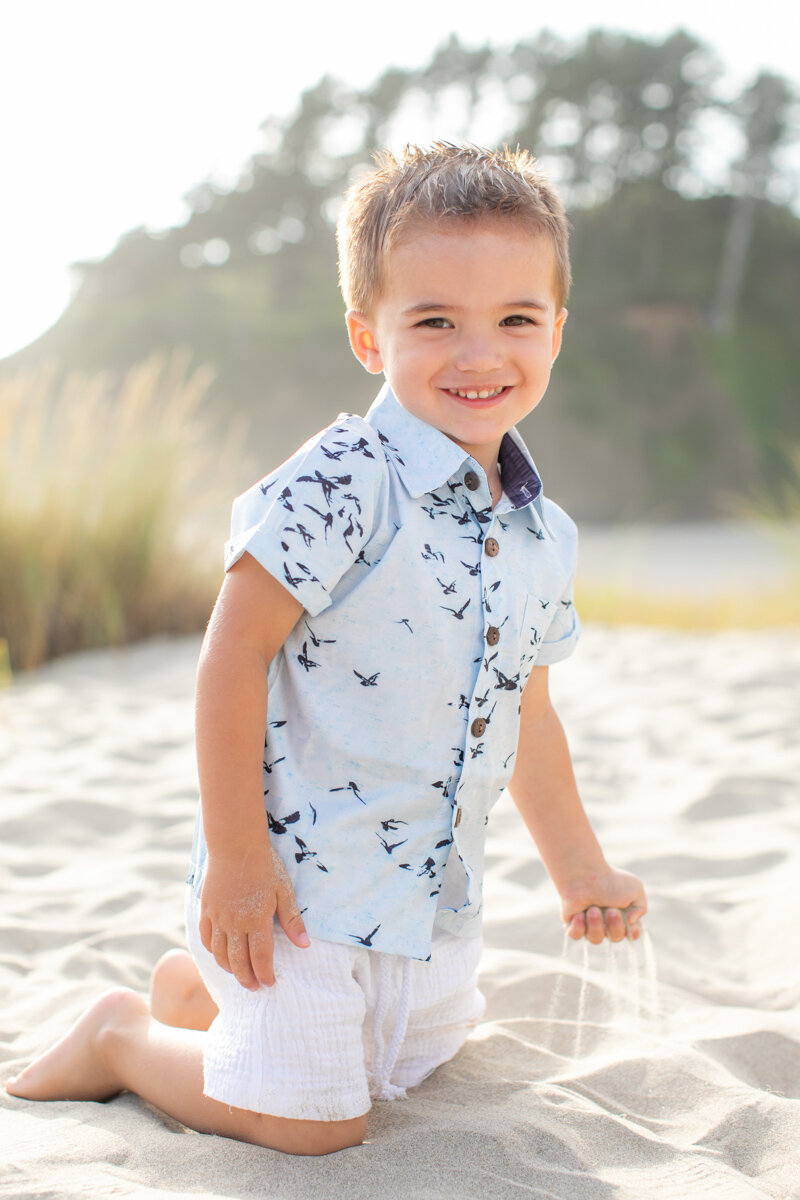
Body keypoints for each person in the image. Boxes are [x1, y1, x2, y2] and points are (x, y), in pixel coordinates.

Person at [6, 143, 646, 1155]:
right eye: (434, 321)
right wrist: (236, 861)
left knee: (401, 1071)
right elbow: (231, 656)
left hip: (427, 903)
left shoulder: (541, 534)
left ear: (556, 331)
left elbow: (526, 710)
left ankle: (199, 1002)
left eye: (516, 320)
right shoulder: (344, 477)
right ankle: (123, 1035)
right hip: (297, 892)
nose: (479, 354)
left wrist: (580, 872)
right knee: (315, 1124)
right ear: (366, 335)